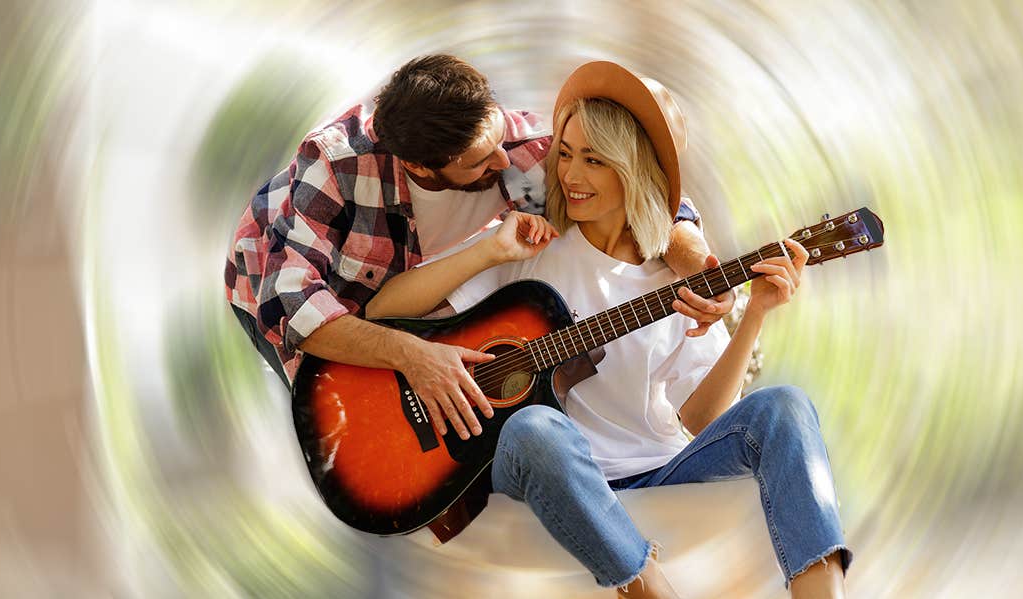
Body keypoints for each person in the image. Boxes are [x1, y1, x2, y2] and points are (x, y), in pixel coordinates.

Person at [365, 61, 852, 599]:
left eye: (594, 160)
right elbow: (383, 308)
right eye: (566, 154)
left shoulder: (677, 279)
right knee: (532, 427)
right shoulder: (530, 245)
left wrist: (755, 312)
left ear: (633, 168)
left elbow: (705, 417)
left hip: (657, 467)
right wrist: (490, 251)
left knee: (784, 405)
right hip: (549, 466)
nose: (571, 175)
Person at [224, 54, 734, 443]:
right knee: (356, 440)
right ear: (424, 168)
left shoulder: (520, 141)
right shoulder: (336, 164)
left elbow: (648, 193)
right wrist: (411, 355)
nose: (501, 159)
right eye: (478, 161)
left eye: (497, 136)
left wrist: (706, 273)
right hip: (285, 287)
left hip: (425, 284)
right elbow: (295, 310)